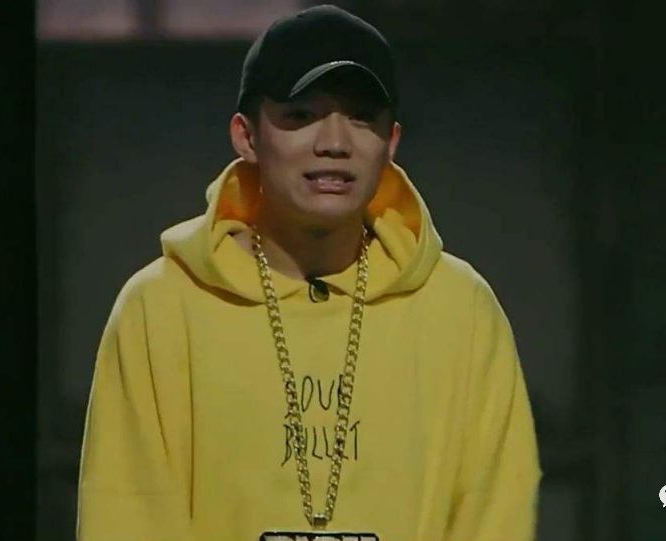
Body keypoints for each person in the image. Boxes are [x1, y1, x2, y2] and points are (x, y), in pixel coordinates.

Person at [76, 5, 541, 541]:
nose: (335, 142)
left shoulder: (460, 311)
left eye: (361, 117)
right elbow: (126, 517)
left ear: (391, 143)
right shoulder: (160, 308)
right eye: (301, 115)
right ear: (246, 136)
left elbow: (495, 516)